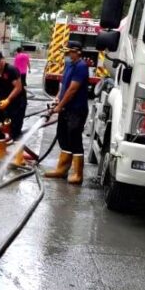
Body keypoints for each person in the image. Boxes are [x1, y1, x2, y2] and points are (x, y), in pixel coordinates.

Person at [44, 39, 90, 185]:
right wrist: (57, 98)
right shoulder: (70, 64)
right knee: (63, 138)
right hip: (66, 109)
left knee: (75, 140)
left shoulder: (81, 66)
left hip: (76, 110)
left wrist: (60, 105)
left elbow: (72, 89)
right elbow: (63, 85)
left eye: (70, 52)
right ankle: (62, 170)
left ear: (77, 52)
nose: (68, 54)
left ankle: (77, 174)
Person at [0, 50, 27, 164]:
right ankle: (0, 154)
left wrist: (8, 100)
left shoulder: (11, 70)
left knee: (15, 130)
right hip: (3, 104)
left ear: (2, 59)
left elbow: (18, 88)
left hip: (17, 103)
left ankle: (19, 158)